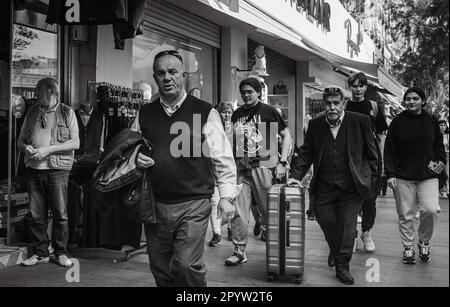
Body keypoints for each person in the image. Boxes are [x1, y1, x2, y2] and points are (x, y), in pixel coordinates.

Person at [131, 50, 237, 287]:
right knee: (160, 267)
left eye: (172, 72)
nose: (166, 77)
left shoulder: (204, 111)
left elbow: (222, 157)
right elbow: (131, 150)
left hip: (194, 202)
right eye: (160, 73)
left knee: (187, 265)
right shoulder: (144, 113)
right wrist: (137, 158)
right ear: (155, 78)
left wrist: (227, 197)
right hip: (154, 204)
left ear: (184, 75)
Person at [288, 86, 378, 285]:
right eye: (328, 103)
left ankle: (342, 266)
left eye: (336, 103)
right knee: (324, 218)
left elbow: (373, 156)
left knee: (347, 225)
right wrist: (295, 177)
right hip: (324, 185)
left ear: (343, 103)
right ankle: (337, 250)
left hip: (352, 186)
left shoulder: (360, 121)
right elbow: (306, 153)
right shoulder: (315, 124)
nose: (332, 107)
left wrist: (372, 183)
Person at [225, 77, 292, 266]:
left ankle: (278, 249)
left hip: (263, 166)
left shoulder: (269, 111)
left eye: (250, 92)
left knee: (269, 210)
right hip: (240, 168)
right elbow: (232, 142)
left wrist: (283, 162)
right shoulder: (236, 113)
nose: (246, 95)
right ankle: (239, 250)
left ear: (258, 92)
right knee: (239, 211)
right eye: (243, 92)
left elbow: (286, 136)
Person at [18, 78, 80, 267]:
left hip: (57, 170)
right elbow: (20, 141)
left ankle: (61, 252)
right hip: (34, 170)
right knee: (36, 214)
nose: (36, 95)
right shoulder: (32, 112)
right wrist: (26, 148)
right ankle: (40, 253)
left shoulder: (67, 112)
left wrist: (47, 150)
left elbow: (75, 143)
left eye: (39, 92)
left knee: (61, 214)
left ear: (52, 92)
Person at [384, 87, 446, 265]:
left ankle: (424, 241)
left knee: (431, 209)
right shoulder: (397, 122)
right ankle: (408, 247)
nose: (411, 102)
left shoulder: (432, 121)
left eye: (415, 99)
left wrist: (439, 165)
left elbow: (438, 147)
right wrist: (390, 173)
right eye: (408, 99)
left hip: (428, 175)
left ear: (423, 101)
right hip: (403, 175)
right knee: (406, 214)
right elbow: (389, 149)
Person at [346, 72, 388, 253]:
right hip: (349, 158)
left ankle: (367, 232)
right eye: (354, 85)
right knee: (350, 199)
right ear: (350, 87)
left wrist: (383, 161)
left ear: (365, 87)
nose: (358, 89)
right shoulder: (344, 105)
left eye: (361, 85)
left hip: (371, 159)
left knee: (370, 199)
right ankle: (352, 235)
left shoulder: (373, 106)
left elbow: (381, 135)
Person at [208, 101, 235, 246]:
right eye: (224, 112)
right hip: (212, 170)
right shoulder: (211, 127)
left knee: (229, 200)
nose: (226, 115)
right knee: (214, 201)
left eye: (229, 112)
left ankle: (230, 228)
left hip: (230, 172)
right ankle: (216, 233)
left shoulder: (236, 129)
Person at [438, 120, 449, 198]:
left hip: (447, 157)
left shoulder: (448, 136)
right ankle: (439, 190)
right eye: (441, 125)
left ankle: (447, 191)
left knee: (447, 174)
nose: (443, 127)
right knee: (438, 174)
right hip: (438, 158)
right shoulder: (436, 135)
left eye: (444, 125)